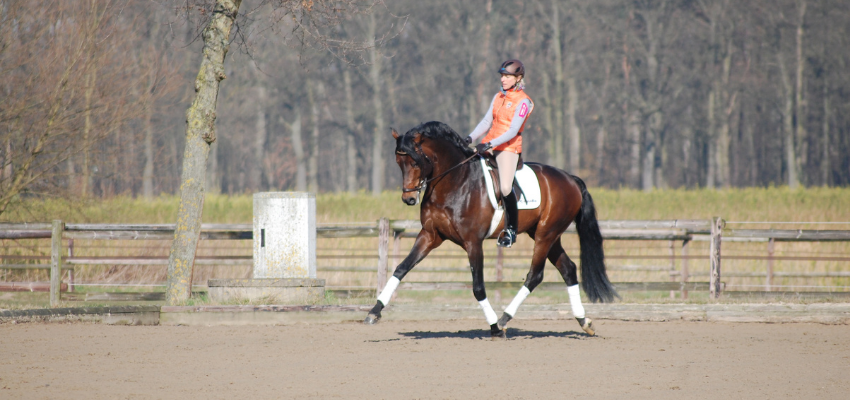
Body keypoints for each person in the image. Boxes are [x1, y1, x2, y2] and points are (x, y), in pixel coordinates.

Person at [465, 59, 534, 248]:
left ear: (518, 78)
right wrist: (470, 138)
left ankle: (511, 230)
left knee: (505, 188)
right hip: (490, 145)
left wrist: (488, 144)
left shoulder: (524, 102)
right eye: (502, 76)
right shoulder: (498, 97)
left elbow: (512, 131)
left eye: (507, 76)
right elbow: (487, 122)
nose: (503, 79)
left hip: (508, 149)